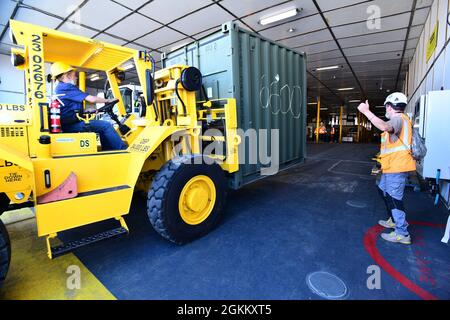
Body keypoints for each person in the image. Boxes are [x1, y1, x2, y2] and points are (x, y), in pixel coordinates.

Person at [358, 92, 416, 245]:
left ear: (390, 106)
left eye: (386, 106)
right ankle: (393, 219)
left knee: (394, 199)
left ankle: (402, 232)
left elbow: (385, 126)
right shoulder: (401, 120)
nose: (386, 109)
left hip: (397, 167)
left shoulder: (398, 119)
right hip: (390, 167)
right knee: (382, 188)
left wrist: (366, 112)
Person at [51, 62, 127, 151]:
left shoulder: (59, 88)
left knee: (102, 127)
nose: (76, 77)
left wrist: (86, 111)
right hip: (70, 126)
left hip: (67, 124)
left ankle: (108, 151)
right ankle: (124, 151)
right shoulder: (66, 87)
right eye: (74, 75)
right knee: (106, 126)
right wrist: (109, 100)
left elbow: (69, 108)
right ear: (66, 75)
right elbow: (92, 99)